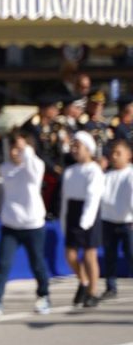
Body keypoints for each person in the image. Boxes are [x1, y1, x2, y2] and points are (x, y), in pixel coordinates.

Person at [0, 130, 53, 317]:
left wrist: (26, 150)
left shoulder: (36, 165)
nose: (14, 152)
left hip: (33, 225)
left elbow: (33, 173)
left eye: (19, 148)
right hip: (10, 225)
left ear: (28, 149)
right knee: (3, 263)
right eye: (13, 148)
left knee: (37, 263)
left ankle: (44, 296)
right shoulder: (5, 168)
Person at [61, 131, 105, 308]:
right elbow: (65, 198)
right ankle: (83, 281)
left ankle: (92, 292)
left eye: (78, 146)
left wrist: (86, 221)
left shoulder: (94, 170)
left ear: (88, 149)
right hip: (73, 211)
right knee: (70, 254)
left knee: (89, 255)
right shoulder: (70, 171)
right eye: (73, 146)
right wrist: (64, 219)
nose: (74, 149)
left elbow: (93, 197)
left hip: (89, 213)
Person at [100, 138, 133, 300]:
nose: (114, 156)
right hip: (108, 221)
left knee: (131, 254)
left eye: (118, 153)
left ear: (128, 155)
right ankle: (110, 287)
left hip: (128, 222)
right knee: (110, 256)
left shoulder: (131, 174)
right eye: (112, 153)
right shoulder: (107, 175)